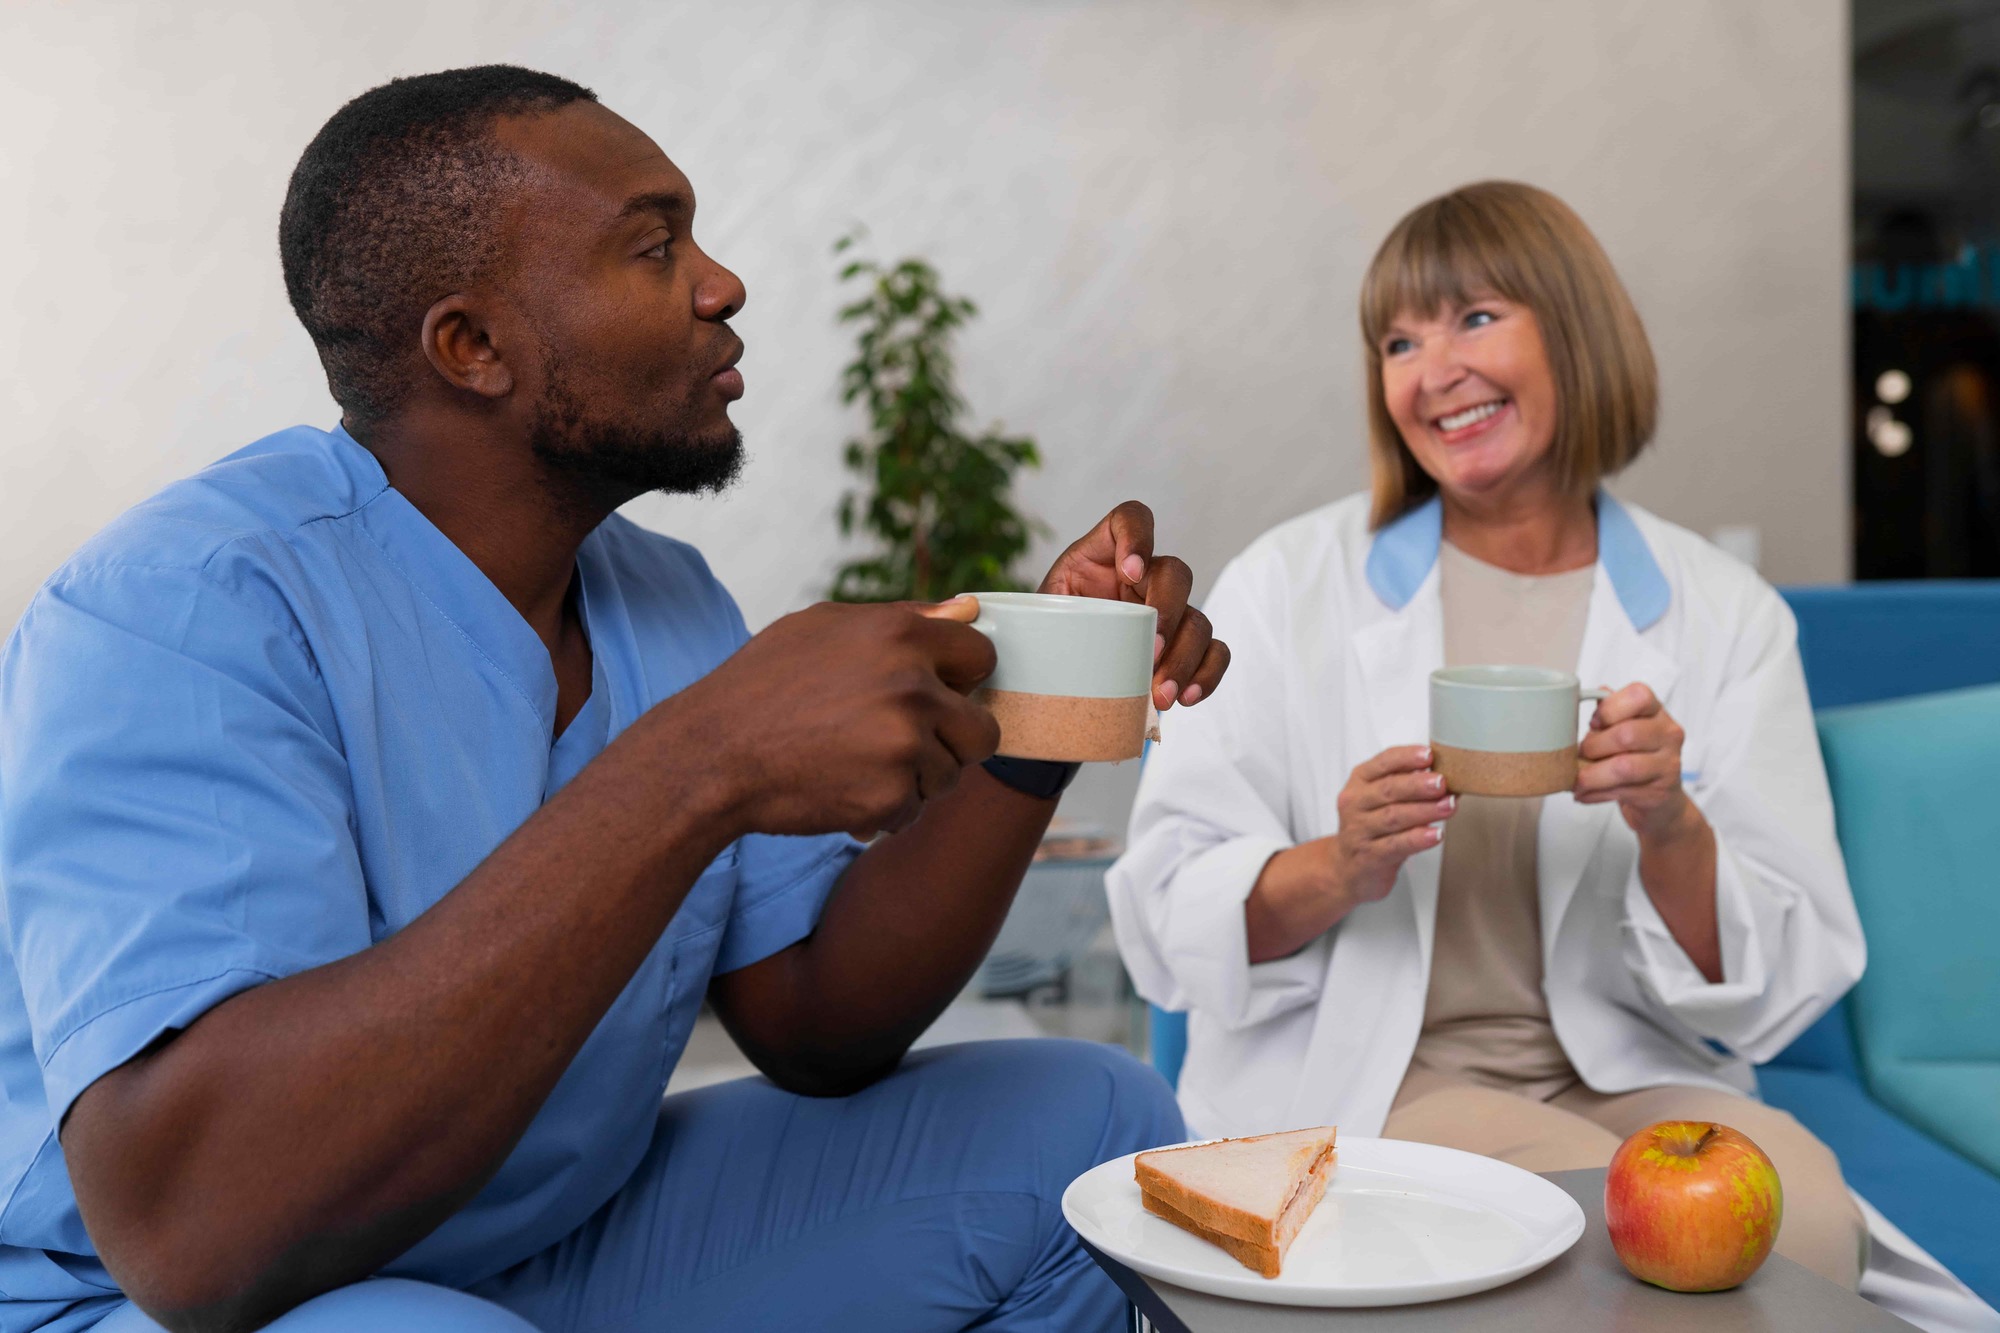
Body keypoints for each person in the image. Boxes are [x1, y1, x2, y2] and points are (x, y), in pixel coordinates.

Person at [0, 66, 1231, 1333]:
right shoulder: (179, 609)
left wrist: (1038, 721)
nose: (722, 284)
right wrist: (696, 766)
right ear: (471, 347)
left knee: (1093, 1135)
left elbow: (817, 1020)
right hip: (147, 1303)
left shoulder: (666, 599)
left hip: (547, 1244)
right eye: (654, 246)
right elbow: (196, 1234)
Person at [1107, 181, 1870, 1287]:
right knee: (1574, 1237)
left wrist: (1667, 822)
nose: (1431, 370)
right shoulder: (1286, 584)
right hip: (1383, 1076)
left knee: (1804, 1228)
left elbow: (1783, 978)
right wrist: (1339, 864)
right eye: (1397, 340)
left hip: (1622, 1067)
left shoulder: (1722, 611)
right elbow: (1164, 916)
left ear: (1575, 332)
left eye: (1473, 317)